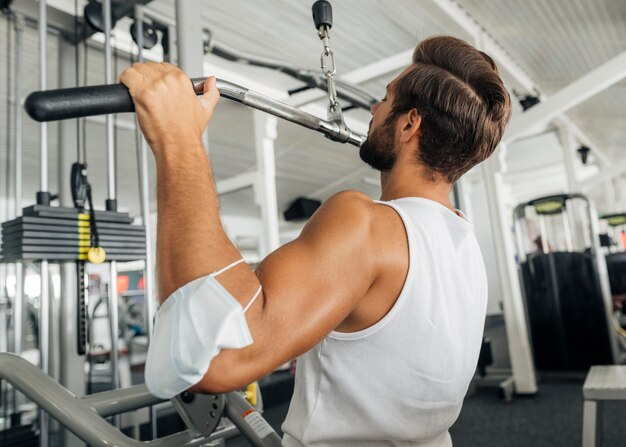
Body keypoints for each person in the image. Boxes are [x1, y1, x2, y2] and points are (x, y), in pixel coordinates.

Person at [120, 35, 511, 446]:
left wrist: (178, 140)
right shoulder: (465, 243)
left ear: (410, 124)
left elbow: (214, 357)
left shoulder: (367, 224)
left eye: (384, 98)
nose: (374, 110)